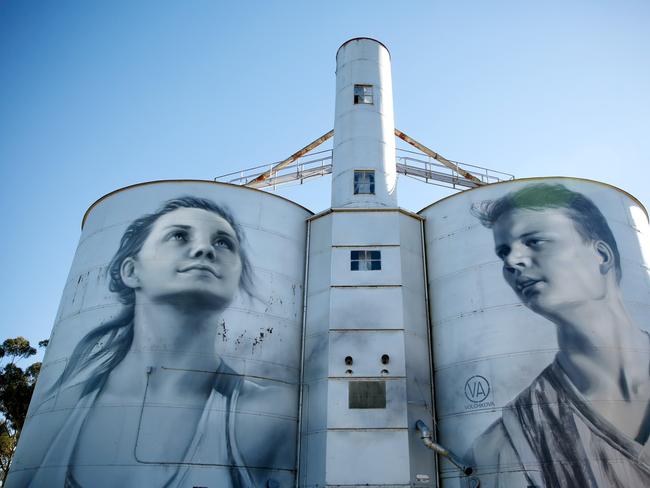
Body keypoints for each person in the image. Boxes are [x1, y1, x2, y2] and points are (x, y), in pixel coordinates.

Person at [6, 196, 293, 488]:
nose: (204, 249)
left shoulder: (266, 413)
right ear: (131, 271)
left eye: (223, 243)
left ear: (237, 274)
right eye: (179, 235)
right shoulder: (59, 411)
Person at [467, 184, 650, 487]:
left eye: (535, 241)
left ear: (601, 255)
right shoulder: (508, 442)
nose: (512, 261)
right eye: (503, 253)